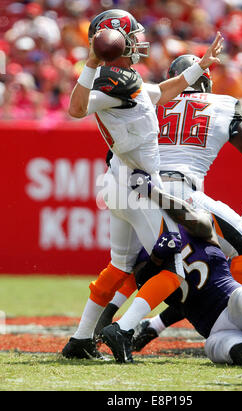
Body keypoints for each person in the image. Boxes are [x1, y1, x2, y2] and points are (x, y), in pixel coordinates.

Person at [62, 9, 224, 361]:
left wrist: (199, 67)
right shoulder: (108, 78)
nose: (138, 40)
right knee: (175, 267)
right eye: (131, 35)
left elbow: (159, 94)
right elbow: (76, 108)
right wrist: (91, 61)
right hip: (138, 185)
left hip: (120, 181)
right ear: (115, 41)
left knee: (120, 265)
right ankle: (122, 330)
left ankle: (80, 339)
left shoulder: (125, 79)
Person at [100, 168, 242, 369]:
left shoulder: (197, 226)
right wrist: (156, 258)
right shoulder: (144, 252)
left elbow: (196, 221)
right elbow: (147, 281)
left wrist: (153, 193)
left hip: (232, 305)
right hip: (216, 332)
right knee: (223, 348)